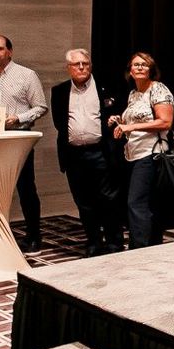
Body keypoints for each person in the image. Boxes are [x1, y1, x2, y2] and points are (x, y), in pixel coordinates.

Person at [0, 35, 47, 252]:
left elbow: (41, 106)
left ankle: (34, 236)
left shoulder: (26, 75)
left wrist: (18, 118)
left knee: (26, 188)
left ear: (10, 51)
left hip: (18, 138)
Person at [51, 49, 125, 256]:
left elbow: (117, 113)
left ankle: (114, 241)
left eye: (85, 63)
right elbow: (59, 123)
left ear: (91, 65)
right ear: (69, 68)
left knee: (108, 199)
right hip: (74, 155)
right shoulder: (59, 91)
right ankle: (94, 242)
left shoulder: (105, 86)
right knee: (84, 202)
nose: (81, 67)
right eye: (76, 64)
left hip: (101, 152)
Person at [108, 52, 174, 249]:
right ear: (130, 70)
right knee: (147, 203)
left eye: (144, 65)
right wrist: (119, 121)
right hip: (133, 154)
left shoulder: (158, 89)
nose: (139, 67)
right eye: (135, 65)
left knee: (136, 203)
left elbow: (165, 122)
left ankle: (138, 250)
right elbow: (135, 121)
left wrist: (130, 127)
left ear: (151, 69)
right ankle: (153, 246)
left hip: (151, 153)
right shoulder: (134, 94)